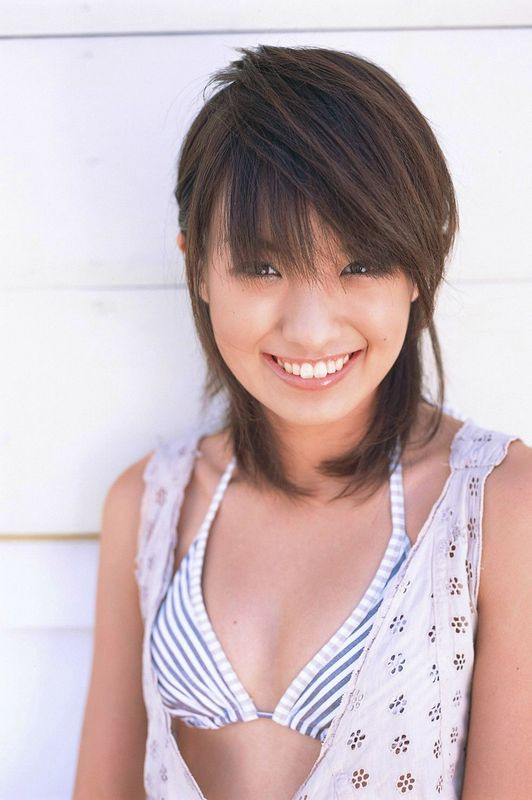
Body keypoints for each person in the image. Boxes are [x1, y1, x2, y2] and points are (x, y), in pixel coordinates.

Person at [73, 45, 532, 800]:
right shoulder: (149, 505)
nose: (312, 330)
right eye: (263, 267)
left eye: (360, 264)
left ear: (419, 267)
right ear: (197, 265)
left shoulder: (498, 506)